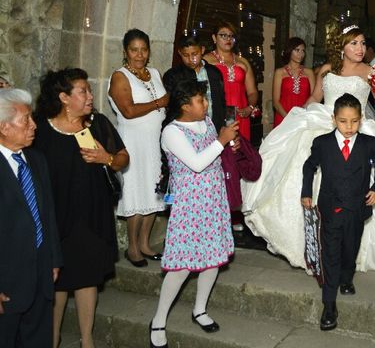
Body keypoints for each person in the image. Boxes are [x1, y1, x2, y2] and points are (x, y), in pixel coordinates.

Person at [242, 20, 375, 272]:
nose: (360, 48)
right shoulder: (328, 69)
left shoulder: (369, 72)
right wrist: (295, 122)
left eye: (362, 43)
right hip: (324, 122)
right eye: (354, 43)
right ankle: (309, 243)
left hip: (356, 128)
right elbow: (314, 98)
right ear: (342, 46)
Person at [33, 68, 129, 348]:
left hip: (91, 214)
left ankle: (87, 340)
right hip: (55, 216)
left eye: (89, 90)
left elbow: (123, 158)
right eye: (83, 91)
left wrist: (106, 157)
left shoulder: (97, 124)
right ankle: (52, 339)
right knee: (57, 282)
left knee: (87, 277)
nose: (90, 96)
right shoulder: (41, 128)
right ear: (64, 98)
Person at [149, 79, 238, 348]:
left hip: (214, 199)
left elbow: (215, 157)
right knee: (182, 265)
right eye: (201, 100)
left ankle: (199, 309)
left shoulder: (208, 123)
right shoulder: (172, 132)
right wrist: (222, 141)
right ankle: (158, 321)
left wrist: (227, 146)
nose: (206, 104)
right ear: (185, 106)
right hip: (190, 205)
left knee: (213, 259)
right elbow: (198, 164)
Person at [301, 94, 375, 331]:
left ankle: (347, 277)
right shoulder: (322, 143)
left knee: (350, 249)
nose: (348, 127)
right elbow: (309, 166)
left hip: (357, 209)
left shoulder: (369, 143)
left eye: (354, 121)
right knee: (330, 255)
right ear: (333, 119)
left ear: (361, 119)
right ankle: (329, 305)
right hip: (330, 209)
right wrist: (306, 191)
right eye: (343, 121)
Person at [0, 89, 62, 348]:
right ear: (4, 127)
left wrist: (54, 259)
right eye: (26, 120)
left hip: (41, 278)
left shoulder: (36, 160)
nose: (34, 125)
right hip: (7, 283)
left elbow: (48, 213)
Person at [108, 28, 168, 267]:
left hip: (155, 141)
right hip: (132, 142)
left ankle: (145, 243)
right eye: (134, 50)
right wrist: (158, 103)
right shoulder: (120, 76)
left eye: (144, 49)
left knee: (153, 190)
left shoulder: (154, 72)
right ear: (125, 51)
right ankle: (132, 248)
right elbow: (128, 110)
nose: (140, 54)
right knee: (135, 192)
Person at [203, 21, 259, 140]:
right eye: (223, 35)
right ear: (214, 37)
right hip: (217, 113)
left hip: (240, 113)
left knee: (241, 151)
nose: (228, 39)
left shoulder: (243, 62)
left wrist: (250, 107)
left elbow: (252, 92)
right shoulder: (206, 60)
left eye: (231, 36)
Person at [163, 35, 227, 134]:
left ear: (202, 50)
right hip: (186, 132)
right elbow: (170, 108)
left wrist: (223, 126)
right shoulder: (173, 75)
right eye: (185, 55)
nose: (191, 59)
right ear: (179, 53)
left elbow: (221, 103)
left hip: (215, 129)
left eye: (194, 54)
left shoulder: (214, 72)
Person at [272, 37, 314, 127]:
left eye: (303, 51)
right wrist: (288, 118)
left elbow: (314, 98)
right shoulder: (280, 72)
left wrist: (303, 116)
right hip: (283, 118)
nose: (301, 54)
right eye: (297, 50)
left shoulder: (309, 72)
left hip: (303, 118)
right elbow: (276, 102)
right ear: (290, 50)